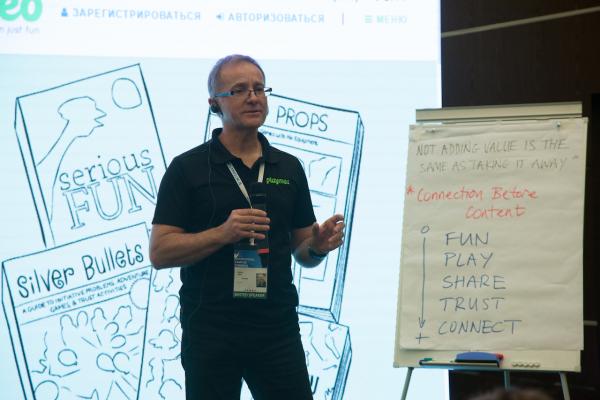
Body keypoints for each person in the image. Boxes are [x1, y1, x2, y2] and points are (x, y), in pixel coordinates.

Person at [149, 54, 345, 400]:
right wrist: (223, 234)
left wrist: (316, 247)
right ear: (214, 103)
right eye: (239, 90)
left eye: (259, 88)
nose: (253, 98)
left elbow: (302, 252)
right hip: (211, 330)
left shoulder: (288, 167)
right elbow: (160, 252)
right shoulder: (187, 169)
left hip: (276, 328)